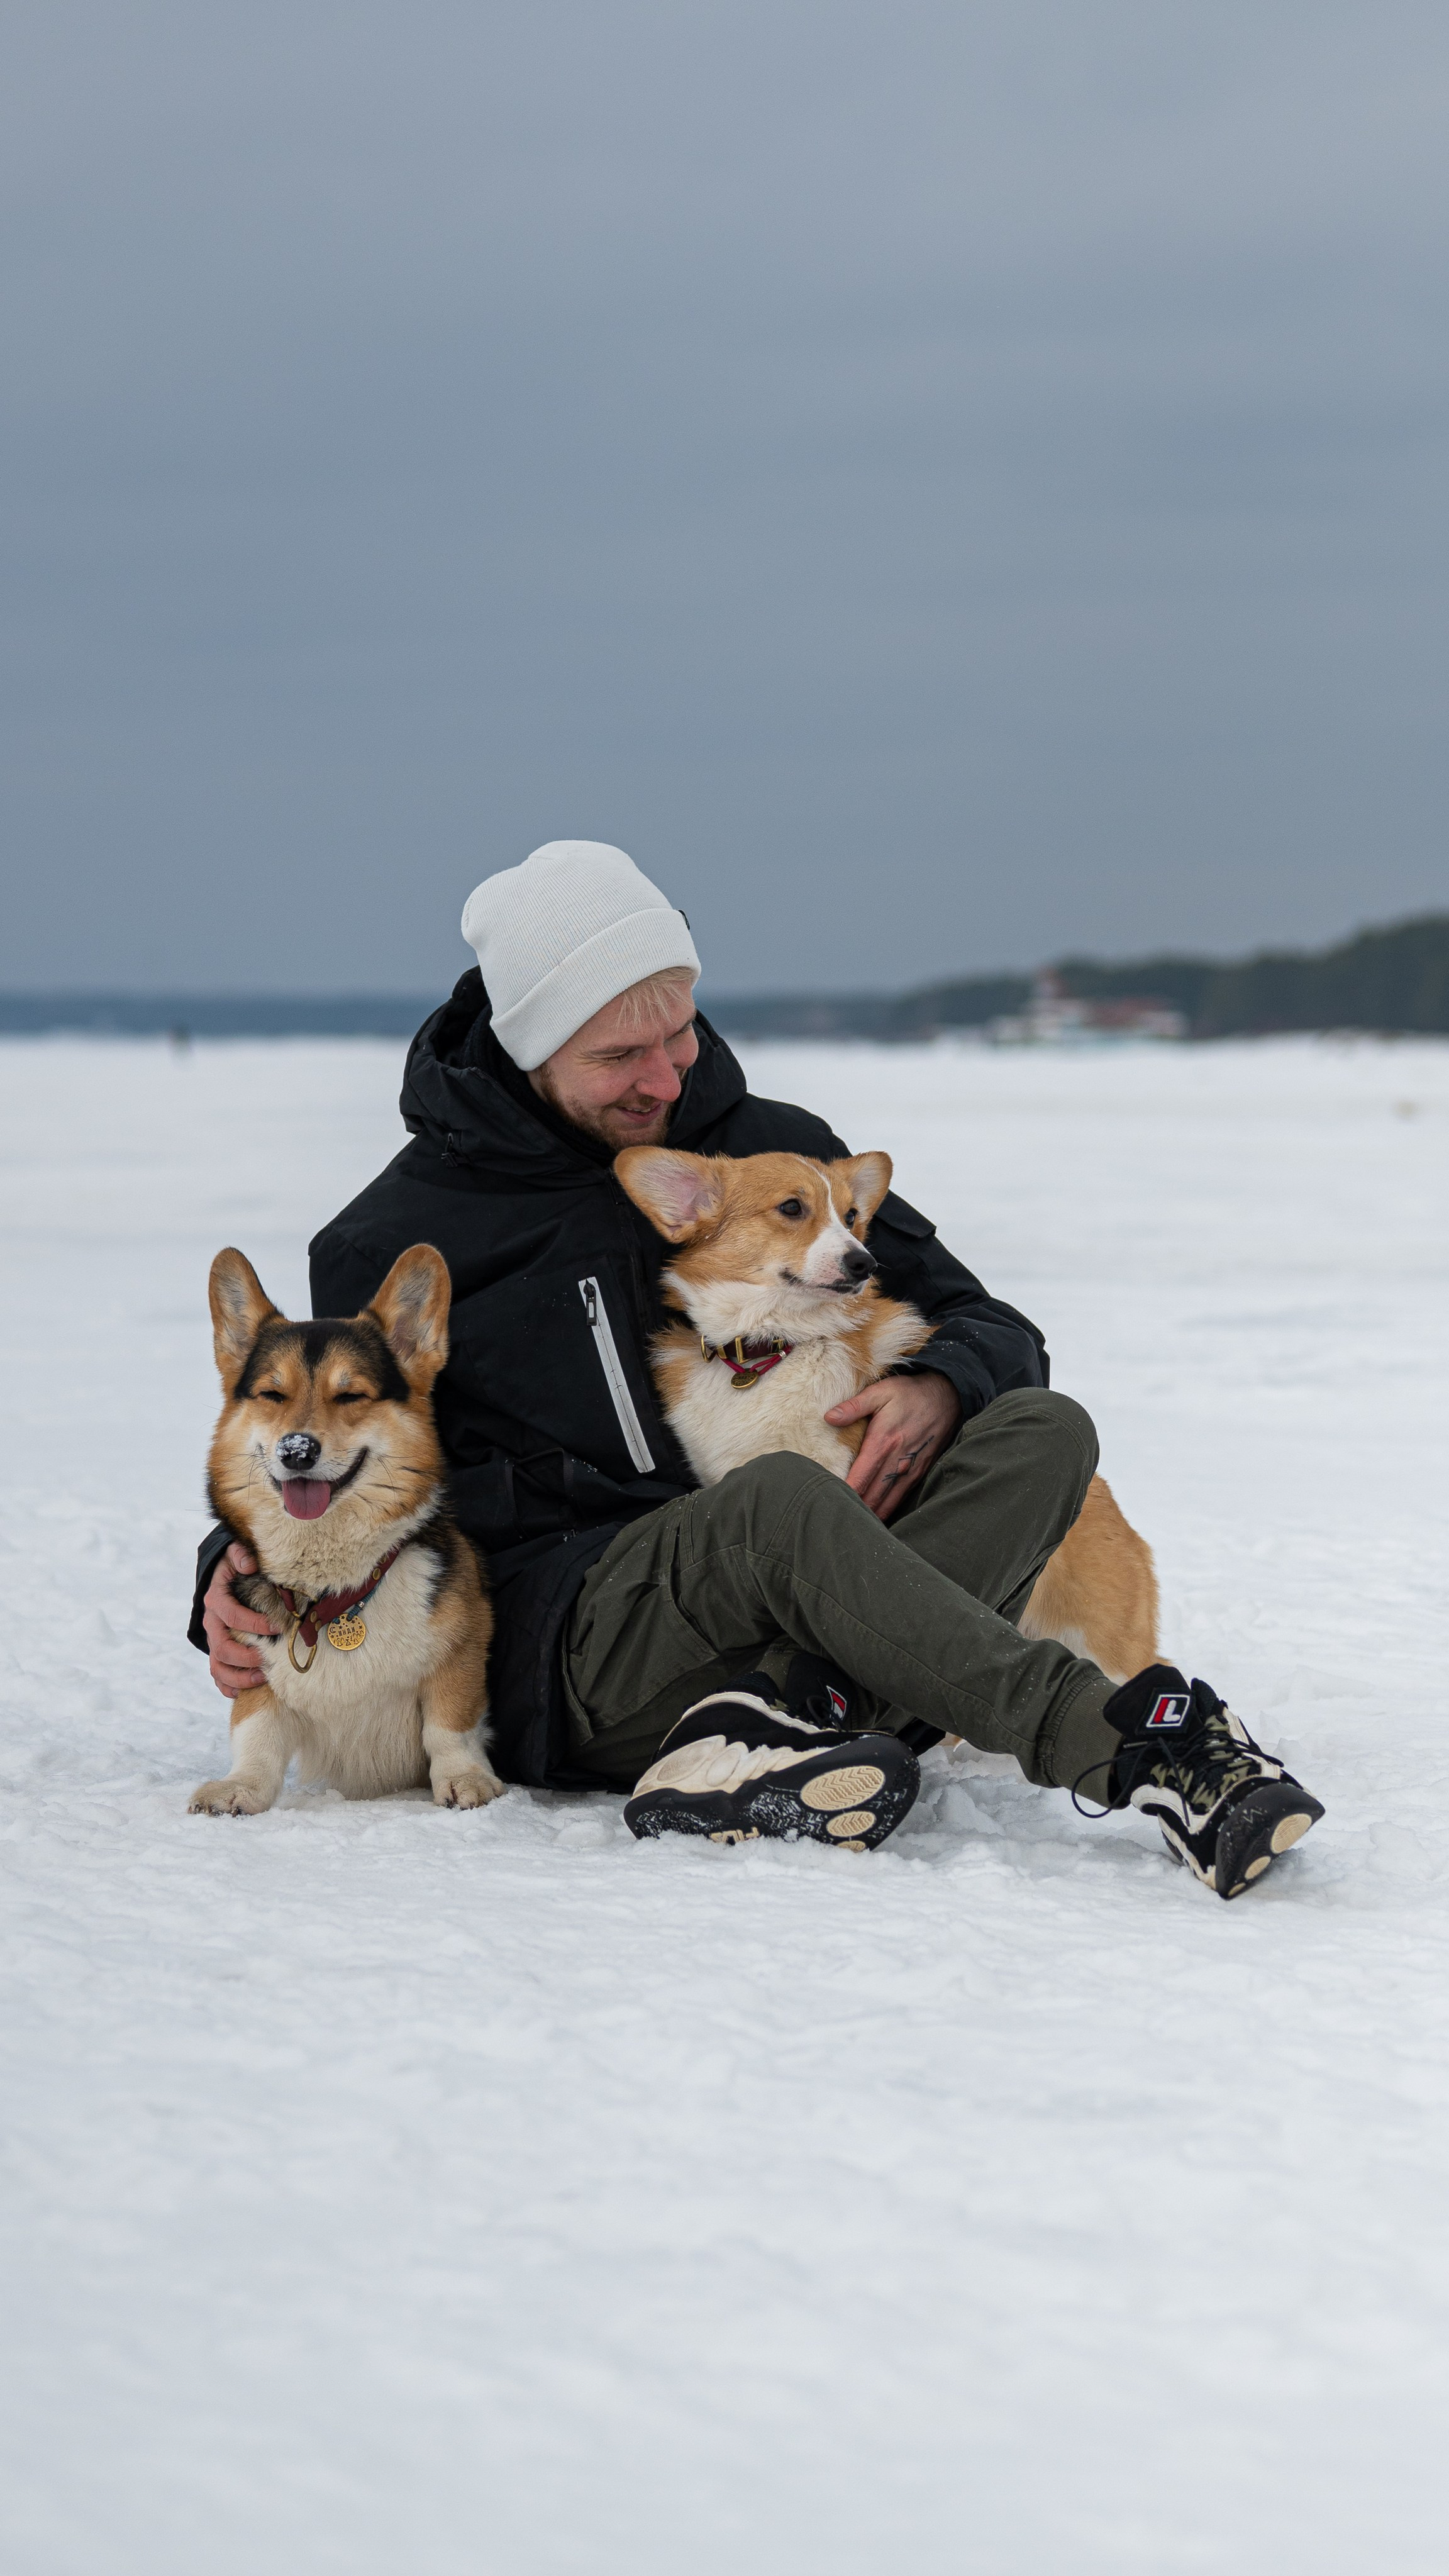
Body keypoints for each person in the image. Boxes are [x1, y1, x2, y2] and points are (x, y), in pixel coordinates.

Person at [191, 840, 1323, 1896]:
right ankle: (1127, 1742)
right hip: (580, 1639)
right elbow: (328, 1436)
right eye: (619, 1056)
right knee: (770, 1498)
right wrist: (224, 1574)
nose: (665, 1078)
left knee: (1045, 1431)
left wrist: (939, 1387)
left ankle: (782, 1721)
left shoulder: (770, 1144)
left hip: (811, 1585)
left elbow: (990, 1322)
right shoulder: (399, 1231)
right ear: (531, 1046)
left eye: (678, 1032)